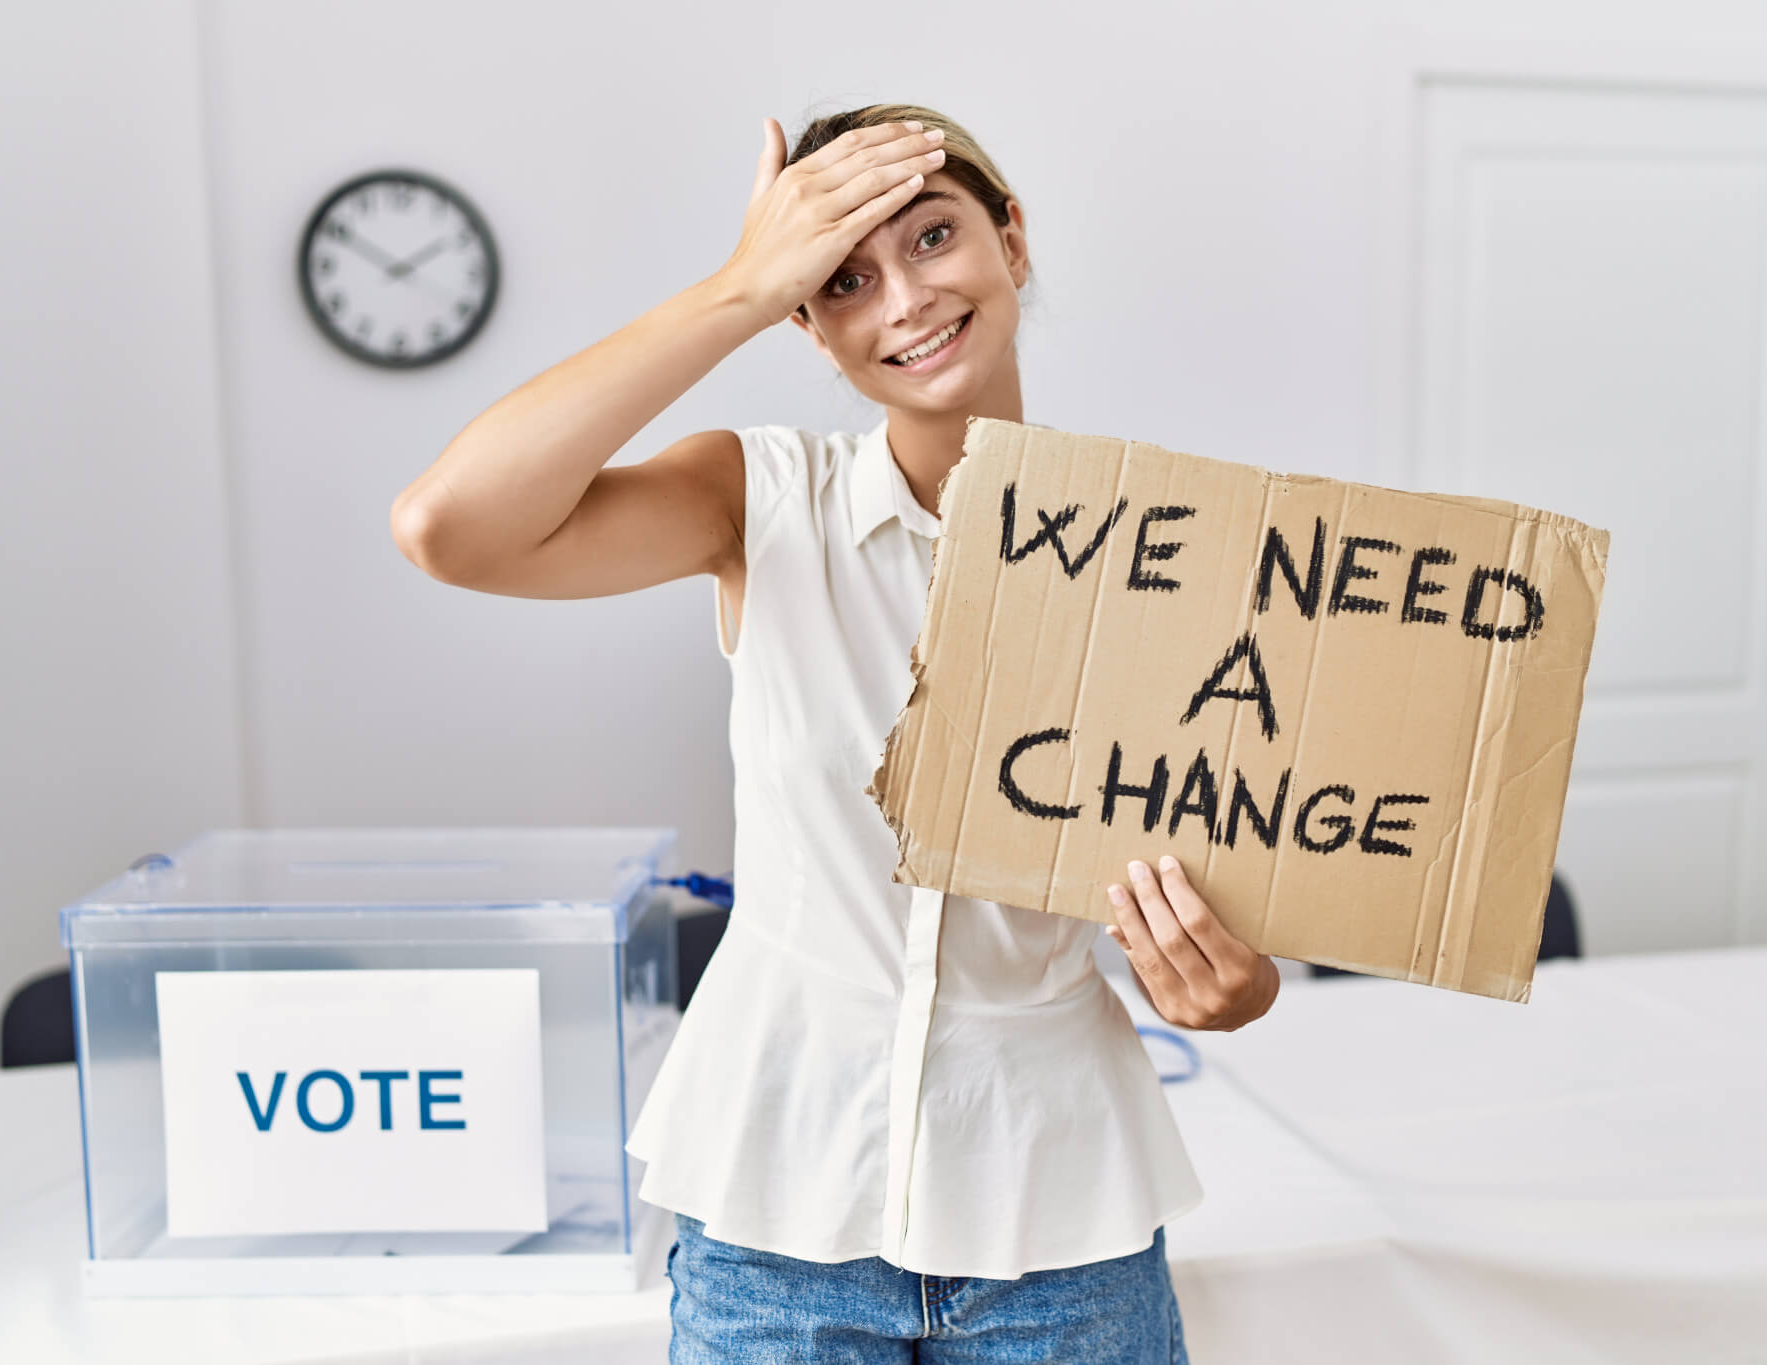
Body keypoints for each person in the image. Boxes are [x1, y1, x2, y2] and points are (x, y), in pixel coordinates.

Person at [391, 102, 1282, 1365]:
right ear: (807, 323)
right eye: (843, 279)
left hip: (1058, 1229)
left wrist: (1233, 984)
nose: (905, 301)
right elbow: (450, 529)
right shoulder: (758, 502)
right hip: (776, 1227)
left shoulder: (1164, 559)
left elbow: (1236, 875)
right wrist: (737, 288)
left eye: (933, 238)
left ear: (1011, 243)